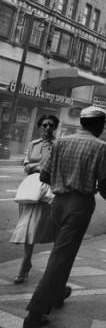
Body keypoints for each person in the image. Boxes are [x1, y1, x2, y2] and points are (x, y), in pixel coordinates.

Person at [23, 106, 106, 328]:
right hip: (79, 205)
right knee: (62, 255)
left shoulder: (61, 142)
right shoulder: (101, 147)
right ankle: (35, 312)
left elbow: (44, 175)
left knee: (61, 251)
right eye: (102, 125)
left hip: (58, 203)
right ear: (98, 125)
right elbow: (103, 182)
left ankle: (56, 293)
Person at [11, 114, 59, 282]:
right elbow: (26, 166)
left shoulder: (59, 145)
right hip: (30, 189)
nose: (47, 128)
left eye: (51, 125)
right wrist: (39, 167)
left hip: (48, 190)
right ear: (40, 126)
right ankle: (26, 262)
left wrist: (39, 168)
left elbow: (58, 168)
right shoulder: (33, 145)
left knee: (44, 226)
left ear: (55, 127)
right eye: (44, 125)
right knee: (27, 225)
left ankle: (48, 268)